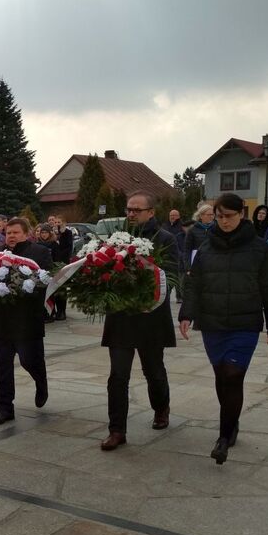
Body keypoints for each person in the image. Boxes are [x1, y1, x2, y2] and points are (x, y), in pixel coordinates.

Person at [179, 193, 268, 464]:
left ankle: (223, 438)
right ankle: (232, 420)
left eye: (230, 216)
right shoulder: (205, 247)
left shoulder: (259, 248)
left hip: (244, 323)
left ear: (242, 215)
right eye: (219, 216)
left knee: (233, 375)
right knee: (221, 376)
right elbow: (194, 284)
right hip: (213, 322)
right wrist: (186, 314)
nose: (224, 221)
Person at [101, 191, 179, 451]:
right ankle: (117, 430)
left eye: (137, 210)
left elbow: (171, 275)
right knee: (118, 376)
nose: (131, 214)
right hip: (121, 316)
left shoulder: (165, 239)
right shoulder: (116, 238)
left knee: (153, 371)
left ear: (151, 212)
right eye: (128, 209)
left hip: (150, 316)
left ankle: (161, 407)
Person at [0, 217, 53, 425]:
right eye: (8, 233)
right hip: (2, 319)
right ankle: (5, 408)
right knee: (3, 366)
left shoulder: (40, 253)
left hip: (27, 320)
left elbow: (47, 281)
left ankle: (40, 381)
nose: (11, 236)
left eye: (16, 232)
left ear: (27, 233)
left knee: (29, 360)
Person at [163, 209, 187, 303]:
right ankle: (166, 295)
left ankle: (179, 296)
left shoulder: (182, 227)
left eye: (174, 215)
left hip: (178, 254)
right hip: (167, 255)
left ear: (179, 216)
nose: (172, 217)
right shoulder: (165, 226)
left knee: (178, 277)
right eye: (171, 215)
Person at [183, 202, 214, 271]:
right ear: (201, 216)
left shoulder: (217, 229)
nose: (211, 217)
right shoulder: (192, 230)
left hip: (213, 265)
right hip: (197, 266)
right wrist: (188, 268)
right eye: (209, 215)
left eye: (212, 215)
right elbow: (187, 250)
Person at [54, 217, 74, 321]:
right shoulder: (53, 233)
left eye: (59, 222)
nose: (57, 224)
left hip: (63, 262)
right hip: (54, 263)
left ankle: (62, 311)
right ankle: (56, 311)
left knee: (62, 287)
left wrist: (61, 257)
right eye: (55, 222)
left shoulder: (67, 233)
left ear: (64, 223)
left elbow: (68, 247)